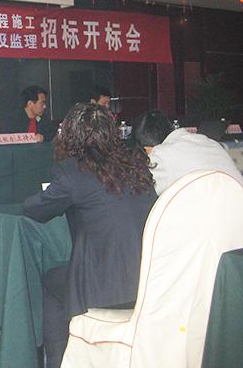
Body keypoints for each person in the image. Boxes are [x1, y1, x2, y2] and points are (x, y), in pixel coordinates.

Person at [22, 103, 157, 368]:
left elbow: (34, 210)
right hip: (150, 283)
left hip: (104, 291)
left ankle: (59, 362)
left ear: (70, 135)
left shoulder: (72, 170)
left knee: (51, 281)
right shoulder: (137, 165)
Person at [133, 110, 243, 195]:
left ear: (148, 148)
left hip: (209, 214)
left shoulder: (160, 154)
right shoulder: (210, 143)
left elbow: (144, 194)